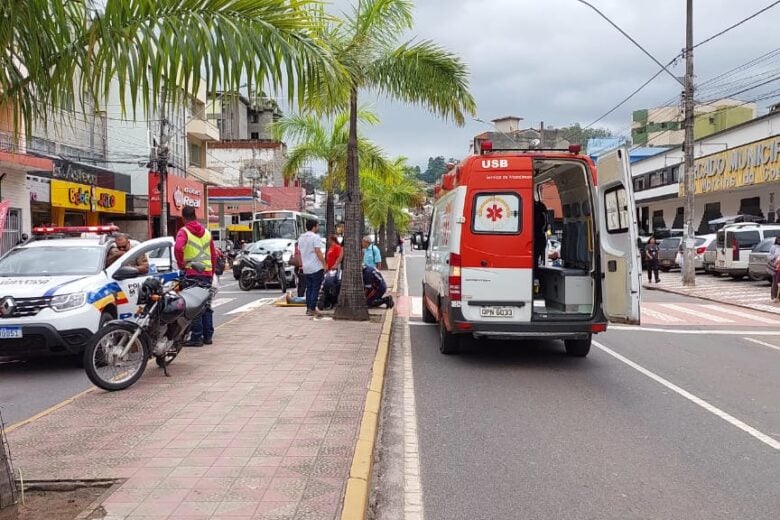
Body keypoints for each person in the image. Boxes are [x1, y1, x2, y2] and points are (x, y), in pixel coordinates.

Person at [174, 206, 217, 346]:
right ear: (195, 216)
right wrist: (212, 272)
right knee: (206, 304)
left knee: (194, 306)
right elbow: (213, 255)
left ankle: (196, 337)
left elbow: (178, 248)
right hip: (207, 273)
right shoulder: (206, 233)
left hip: (192, 273)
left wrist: (181, 264)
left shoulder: (184, 231)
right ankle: (208, 336)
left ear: (183, 217)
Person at [299, 219, 327, 317]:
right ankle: (312, 308)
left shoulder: (301, 238)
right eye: (317, 226)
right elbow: (318, 251)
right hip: (315, 267)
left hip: (306, 267)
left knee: (309, 288)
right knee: (315, 288)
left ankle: (308, 308)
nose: (318, 228)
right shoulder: (315, 237)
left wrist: (301, 264)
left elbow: (299, 252)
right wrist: (324, 263)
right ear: (314, 227)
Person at [768, 236, 780, 301]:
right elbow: (769, 257)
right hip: (775, 268)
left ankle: (778, 296)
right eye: (778, 240)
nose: (779, 241)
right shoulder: (773, 247)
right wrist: (775, 256)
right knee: (775, 282)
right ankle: (774, 296)